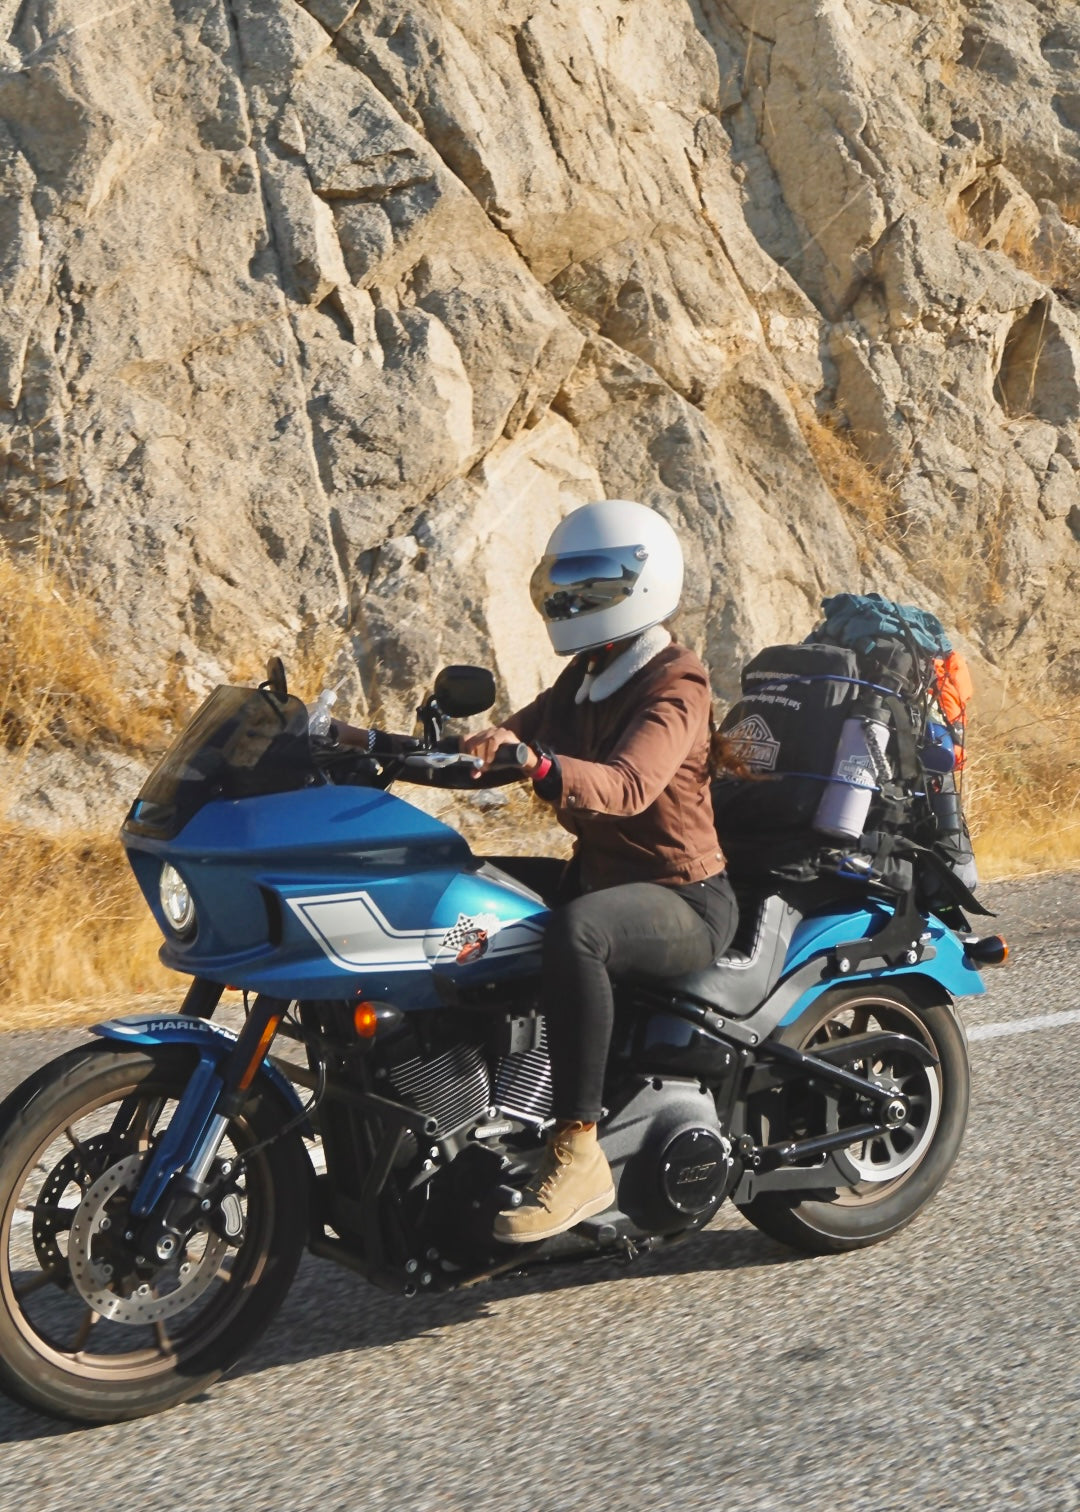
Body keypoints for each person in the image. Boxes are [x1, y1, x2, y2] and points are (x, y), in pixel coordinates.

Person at [461, 498, 739, 1244]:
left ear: (641, 583)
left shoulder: (675, 682)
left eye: (592, 583)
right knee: (463, 887)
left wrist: (539, 765)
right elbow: (505, 741)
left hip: (683, 898)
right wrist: (373, 745)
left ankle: (579, 1151)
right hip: (603, 877)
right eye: (565, 583)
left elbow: (627, 785)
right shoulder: (585, 678)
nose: (571, 599)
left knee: (578, 934)